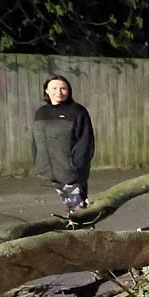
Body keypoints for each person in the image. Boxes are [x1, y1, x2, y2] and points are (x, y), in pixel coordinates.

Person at [32, 75, 94, 212]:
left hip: (72, 174)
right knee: (69, 208)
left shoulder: (77, 111)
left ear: (69, 91)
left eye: (63, 88)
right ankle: (75, 231)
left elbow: (86, 142)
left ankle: (88, 233)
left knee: (80, 211)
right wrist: (38, 162)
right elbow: (36, 140)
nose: (58, 92)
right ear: (46, 91)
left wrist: (75, 166)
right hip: (51, 172)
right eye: (54, 88)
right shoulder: (41, 113)